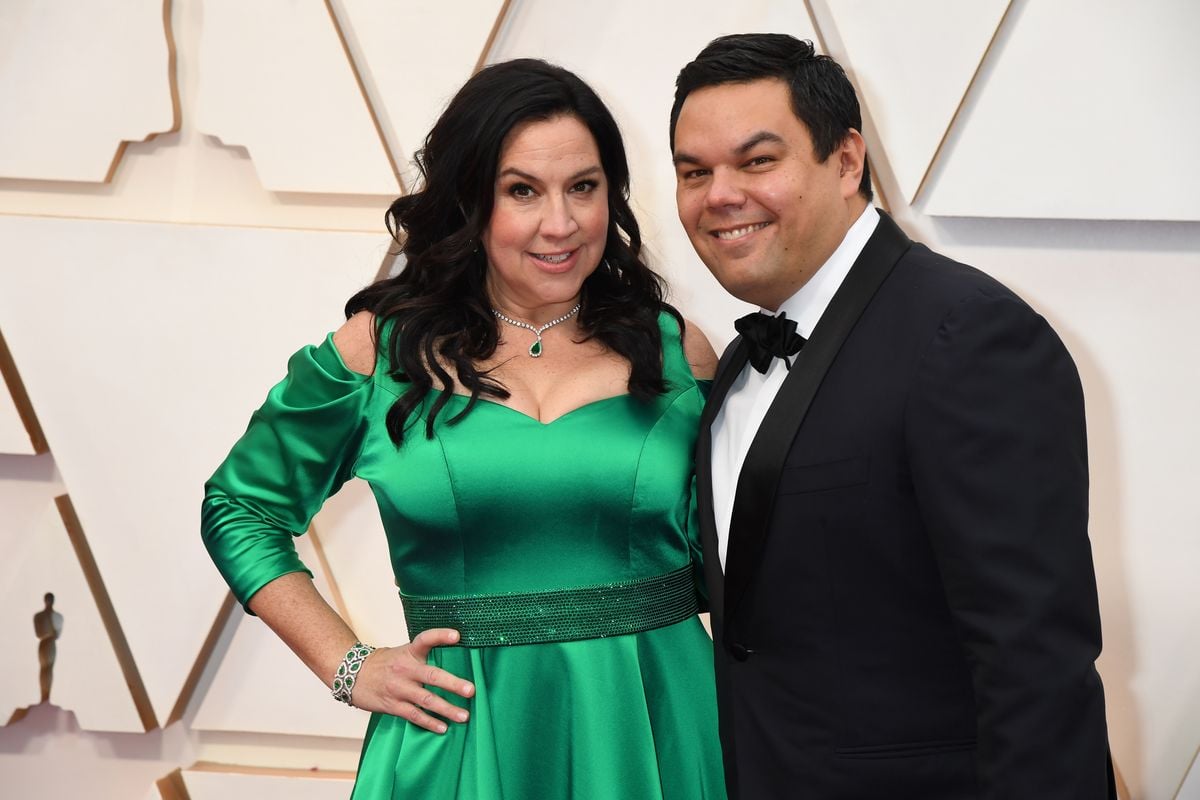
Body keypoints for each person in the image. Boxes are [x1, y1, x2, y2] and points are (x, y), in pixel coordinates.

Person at [202, 59, 726, 799]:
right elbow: (240, 507)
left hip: (654, 729)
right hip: (460, 740)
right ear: (469, 203)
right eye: (522, 191)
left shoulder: (677, 351)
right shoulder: (375, 352)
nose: (562, 223)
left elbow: (744, 557)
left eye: (584, 186)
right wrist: (348, 664)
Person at [669, 33, 1114, 799]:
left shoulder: (967, 335)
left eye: (757, 161)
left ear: (846, 161)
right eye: (694, 172)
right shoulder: (739, 361)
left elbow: (1034, 662)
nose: (720, 195)